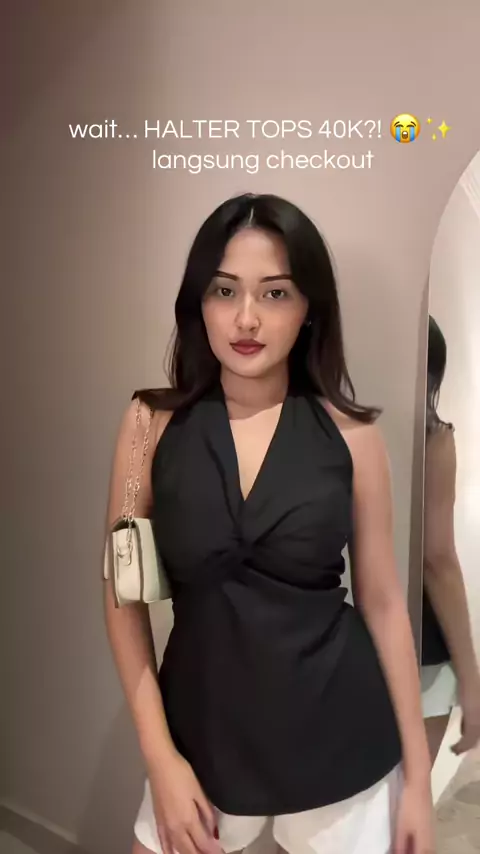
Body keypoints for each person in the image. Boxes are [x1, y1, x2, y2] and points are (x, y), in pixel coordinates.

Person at [103, 193, 435, 854]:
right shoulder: (148, 425)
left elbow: (383, 604)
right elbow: (123, 597)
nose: (247, 318)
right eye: (225, 290)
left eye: (275, 293)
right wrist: (161, 760)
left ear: (309, 309)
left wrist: (419, 781)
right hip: (201, 736)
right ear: (198, 302)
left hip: (341, 732)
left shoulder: (354, 437)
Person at [421, 314, 480, 765]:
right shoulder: (433, 438)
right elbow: (436, 558)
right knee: (408, 793)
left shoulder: (311, 425)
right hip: (420, 644)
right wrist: (471, 678)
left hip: (331, 636)